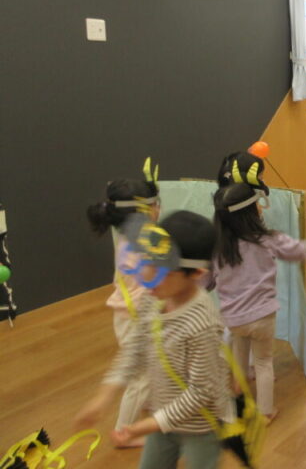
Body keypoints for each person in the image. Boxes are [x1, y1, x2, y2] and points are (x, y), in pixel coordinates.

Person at [76, 211, 233, 469]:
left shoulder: (203, 324)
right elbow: (134, 348)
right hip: (163, 419)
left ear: (196, 273)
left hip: (201, 426)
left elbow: (201, 392)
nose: (148, 276)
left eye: (163, 271)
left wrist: (148, 425)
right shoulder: (154, 298)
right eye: (148, 262)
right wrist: (104, 396)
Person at [209, 182, 306, 423]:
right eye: (257, 203)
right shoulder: (267, 239)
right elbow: (293, 249)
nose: (260, 206)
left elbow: (207, 280)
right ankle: (265, 412)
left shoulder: (218, 247)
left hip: (234, 320)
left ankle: (236, 397)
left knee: (240, 355)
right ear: (250, 212)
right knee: (264, 362)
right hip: (263, 317)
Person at [86, 168, 161, 447]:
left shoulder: (131, 239)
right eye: (154, 204)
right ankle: (124, 433)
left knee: (147, 369)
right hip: (136, 319)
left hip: (131, 315)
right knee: (140, 379)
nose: (158, 209)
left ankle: (147, 402)